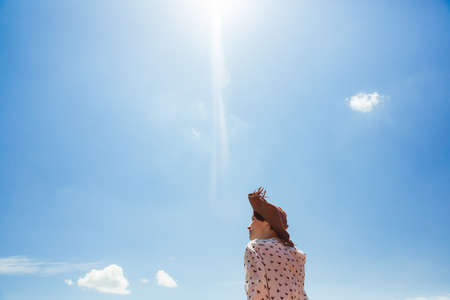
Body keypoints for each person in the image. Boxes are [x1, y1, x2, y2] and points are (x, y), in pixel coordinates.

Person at [244, 187, 308, 300]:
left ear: (268, 223)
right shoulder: (298, 255)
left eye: (253, 219)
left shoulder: (255, 248)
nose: (249, 226)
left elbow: (258, 293)